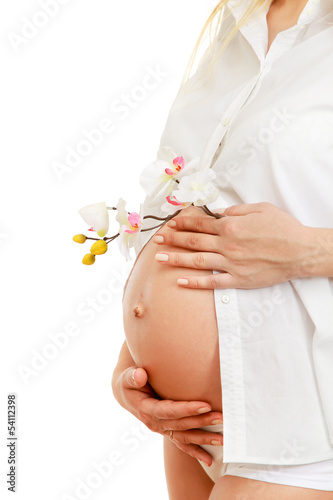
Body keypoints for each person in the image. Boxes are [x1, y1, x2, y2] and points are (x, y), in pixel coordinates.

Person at [112, 0, 333, 497]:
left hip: (300, 420)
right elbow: (190, 216)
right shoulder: (237, 25)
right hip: (198, 427)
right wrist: (132, 365)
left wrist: (314, 251)